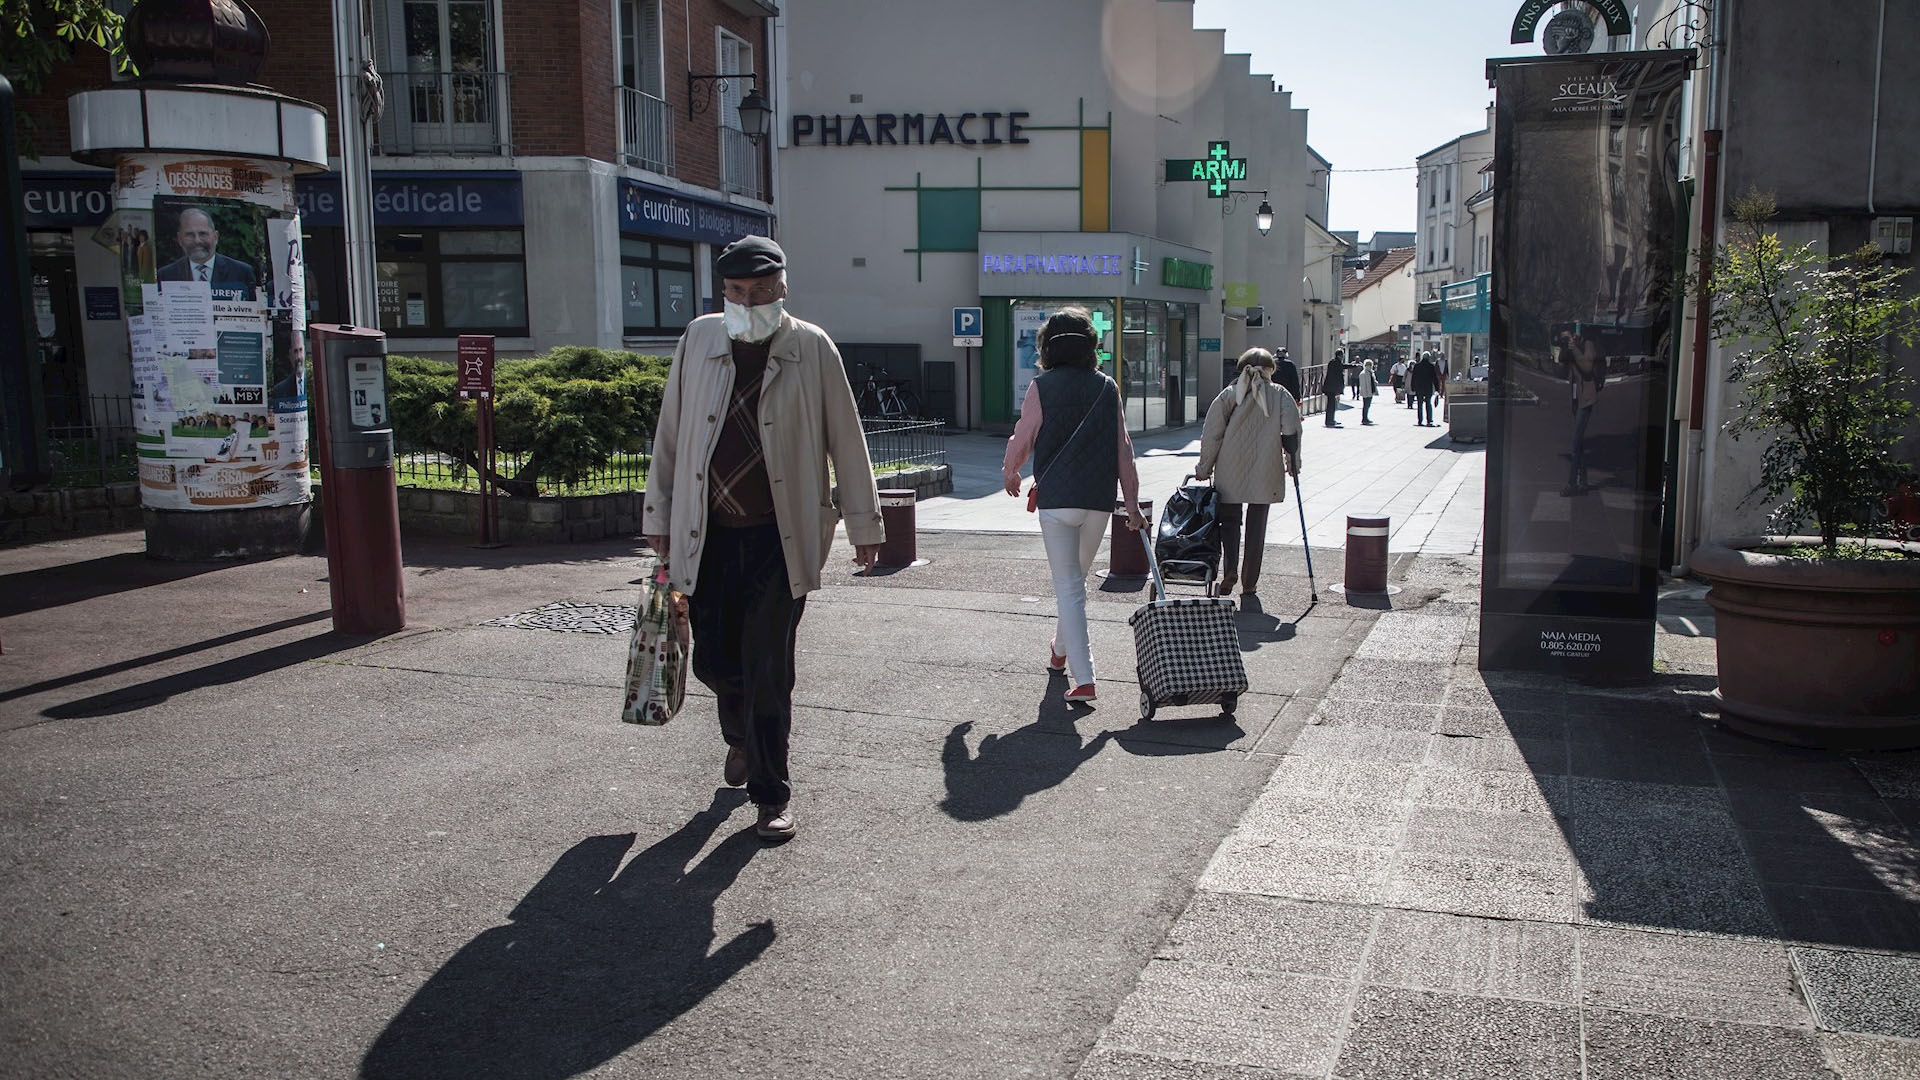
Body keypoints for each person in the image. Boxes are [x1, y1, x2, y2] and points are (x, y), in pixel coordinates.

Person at [643, 235, 884, 841]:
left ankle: (772, 796)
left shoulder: (811, 347)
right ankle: (740, 737)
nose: (747, 303)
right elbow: (671, 433)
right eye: (735, 293)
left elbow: (847, 441)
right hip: (709, 535)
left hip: (781, 538)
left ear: (782, 286)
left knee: (769, 667)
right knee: (718, 659)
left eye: (759, 291)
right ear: (722, 292)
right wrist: (659, 515)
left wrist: (864, 523)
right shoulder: (698, 340)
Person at [1002, 307, 1147, 704]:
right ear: (1091, 347)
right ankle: (1059, 651)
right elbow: (1124, 450)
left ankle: (1084, 679)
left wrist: (1011, 470)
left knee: (1070, 587)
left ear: (1048, 347)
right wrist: (1131, 503)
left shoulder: (1041, 387)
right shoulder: (1107, 387)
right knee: (1074, 586)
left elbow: (1024, 435)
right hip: (1098, 502)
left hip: (1056, 501)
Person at [1194, 348, 1303, 601]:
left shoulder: (1229, 395)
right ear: (1270, 370)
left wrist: (1204, 467)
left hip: (1230, 468)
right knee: (1257, 526)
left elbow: (1212, 435)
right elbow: (1291, 433)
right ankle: (1250, 583)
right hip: (1265, 469)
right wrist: (1293, 464)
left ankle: (1230, 570)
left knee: (1230, 523)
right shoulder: (1280, 395)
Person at [156, 208, 256, 299]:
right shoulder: (166, 275)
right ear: (180, 239)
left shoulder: (242, 273)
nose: (197, 241)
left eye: (203, 234)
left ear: (215, 237)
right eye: (189, 235)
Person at [1561, 327, 1605, 495]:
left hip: (1586, 399)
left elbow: (1587, 367)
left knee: (1575, 442)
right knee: (1579, 442)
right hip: (1575, 399)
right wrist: (1566, 346)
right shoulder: (1572, 345)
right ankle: (1584, 481)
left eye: (1571, 334)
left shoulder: (1588, 345)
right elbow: (1562, 363)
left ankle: (1572, 483)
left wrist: (1575, 348)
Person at [1411, 351, 1440, 426]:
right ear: (1428, 357)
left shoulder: (1417, 366)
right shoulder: (1431, 366)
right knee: (1428, 403)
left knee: (1419, 404)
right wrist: (1437, 388)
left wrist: (1413, 387)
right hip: (1428, 388)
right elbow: (1434, 378)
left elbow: (1413, 377)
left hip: (1419, 387)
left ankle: (1420, 420)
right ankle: (1429, 419)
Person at [1321, 349, 1347, 427]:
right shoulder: (1335, 362)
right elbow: (1342, 367)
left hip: (1331, 387)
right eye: (1342, 355)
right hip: (1331, 388)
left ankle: (1331, 419)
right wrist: (1353, 366)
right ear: (1340, 355)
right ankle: (1329, 421)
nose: (1343, 357)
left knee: (1332, 404)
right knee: (1331, 405)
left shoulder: (1334, 362)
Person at [1357, 359, 1379, 425]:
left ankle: (1366, 418)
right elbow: (1363, 385)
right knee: (1365, 406)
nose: (1369, 366)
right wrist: (1365, 393)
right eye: (1368, 365)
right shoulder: (1363, 374)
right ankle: (1364, 418)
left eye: (1370, 365)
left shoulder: (1371, 373)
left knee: (1368, 405)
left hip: (1370, 391)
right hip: (1366, 392)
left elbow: (1373, 381)